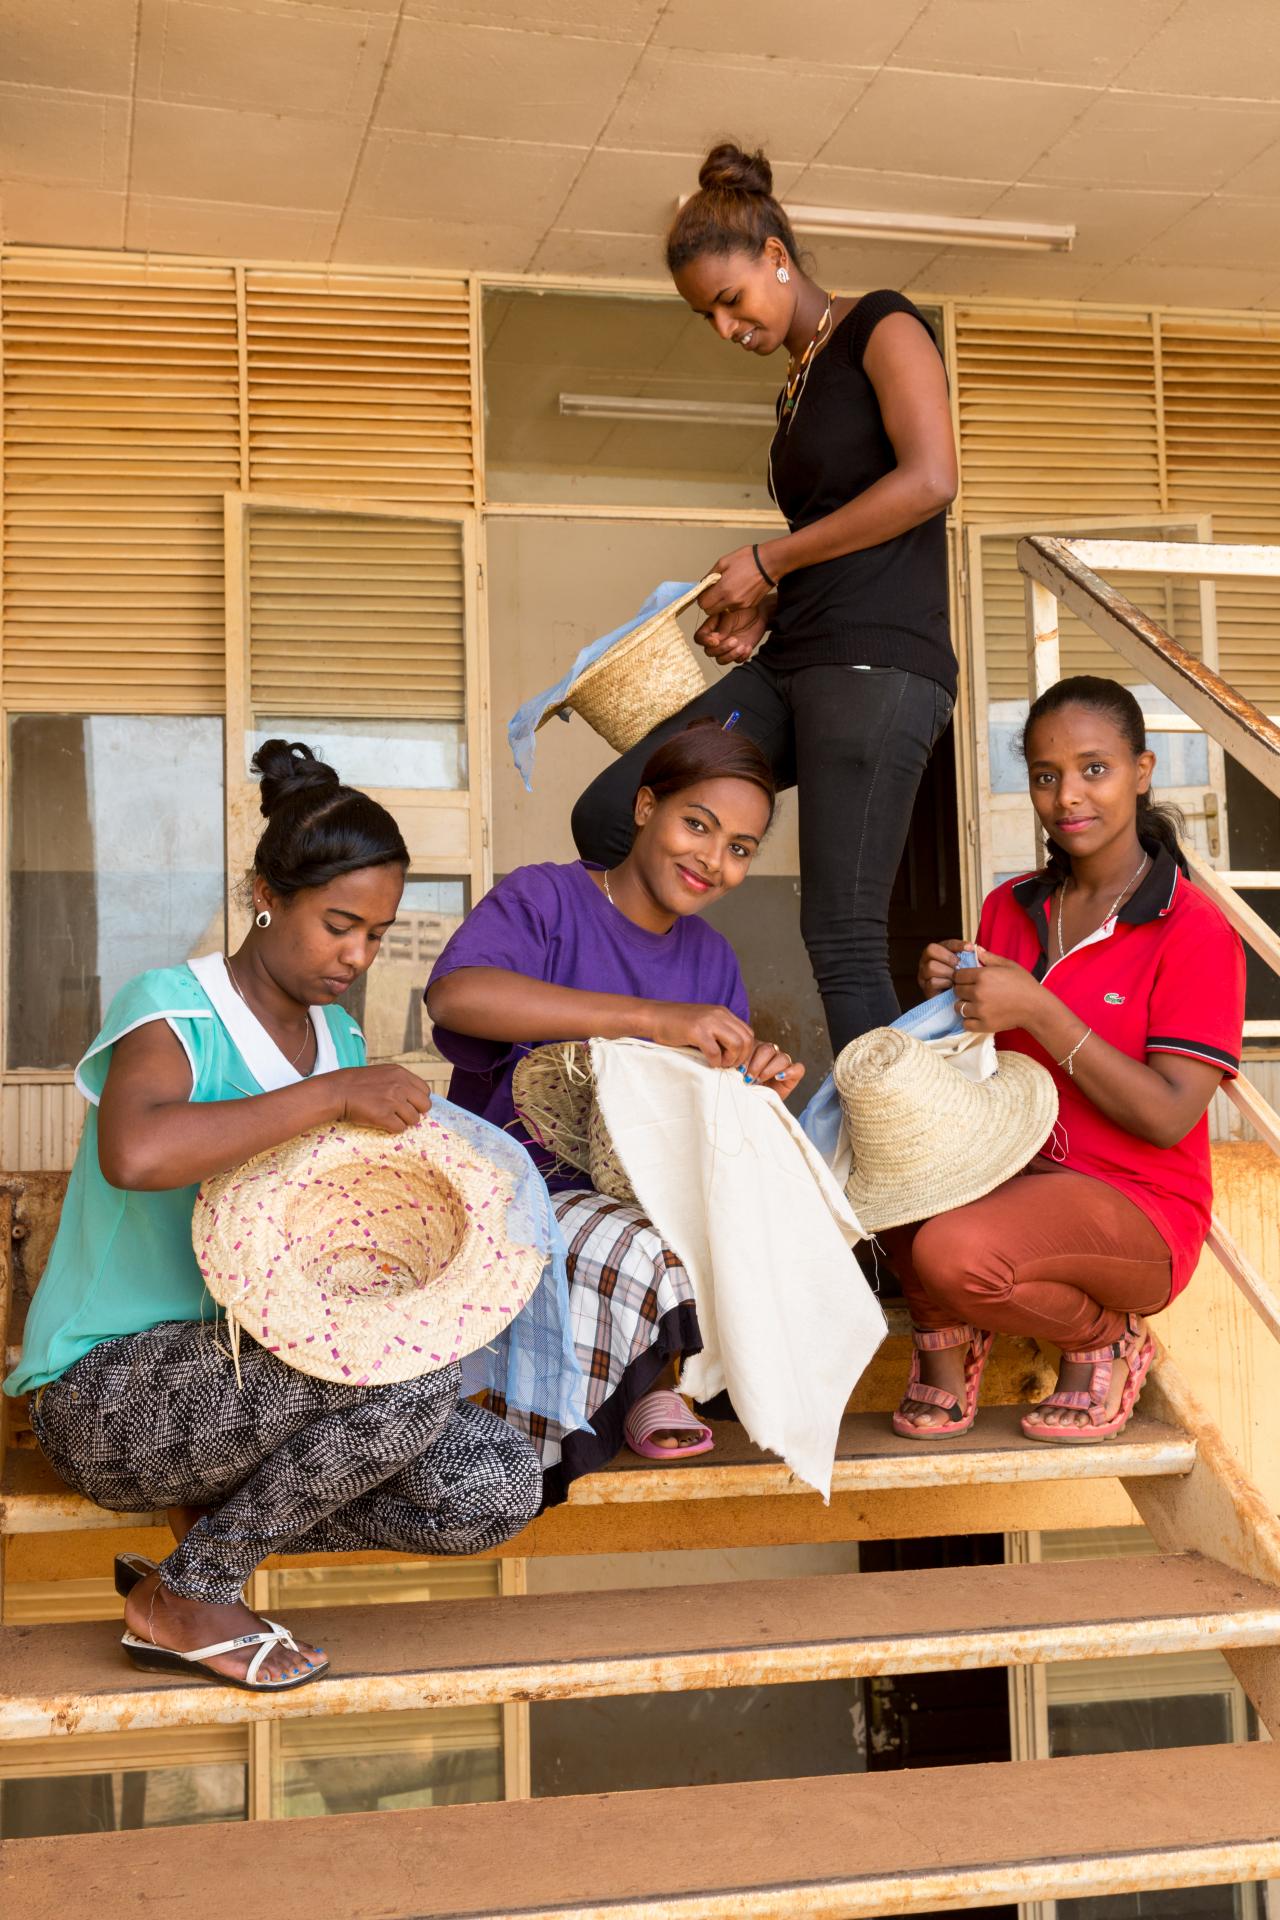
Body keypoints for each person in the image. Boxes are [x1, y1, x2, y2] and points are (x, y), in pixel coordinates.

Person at [6, 741, 541, 1692]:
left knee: (497, 1484)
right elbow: (137, 1152)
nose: (358, 955)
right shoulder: (173, 1010)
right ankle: (193, 1592)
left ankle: (206, 1538)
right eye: (341, 924)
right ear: (266, 892)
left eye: (377, 935)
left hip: (260, 1390)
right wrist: (332, 1096)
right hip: (107, 1390)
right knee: (403, 1375)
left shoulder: (331, 1034)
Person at [571, 141, 958, 1059]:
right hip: (798, 659)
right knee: (612, 811)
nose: (723, 327)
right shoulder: (796, 384)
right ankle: (643, 1044)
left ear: (776, 258)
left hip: (877, 663)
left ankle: (903, 1179)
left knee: (842, 935)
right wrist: (764, 607)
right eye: (706, 314)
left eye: (731, 300)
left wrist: (771, 560)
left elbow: (932, 479)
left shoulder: (881, 326)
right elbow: (844, 527)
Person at [426, 718, 806, 1497]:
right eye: (696, 824)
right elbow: (458, 995)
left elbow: (705, 1114)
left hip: (646, 1201)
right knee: (636, 1244)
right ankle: (636, 1387)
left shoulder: (711, 958)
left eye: (739, 847)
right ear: (644, 808)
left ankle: (657, 1372)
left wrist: (753, 1092)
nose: (712, 859)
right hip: (522, 1192)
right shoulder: (548, 897)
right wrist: (650, 1019)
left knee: (778, 1196)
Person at [883, 676, 1246, 1443]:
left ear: (1142, 773)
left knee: (954, 1253)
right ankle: (946, 1345)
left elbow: (1168, 1113)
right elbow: (973, 1059)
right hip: (1008, 1171)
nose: (1068, 796)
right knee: (868, 1169)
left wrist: (1043, 1013)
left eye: (1094, 769)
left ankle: (1101, 1337)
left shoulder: (1192, 930)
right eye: (1046, 776)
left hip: (1136, 1205)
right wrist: (952, 990)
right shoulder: (1008, 905)